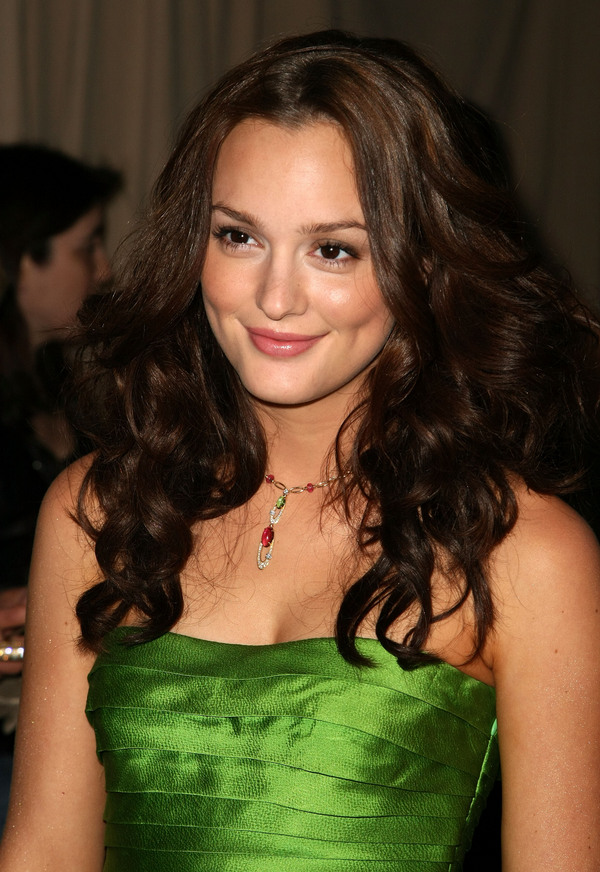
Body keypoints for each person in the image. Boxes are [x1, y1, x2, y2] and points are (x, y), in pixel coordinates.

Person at [1, 30, 599, 871]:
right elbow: (42, 854)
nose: (275, 297)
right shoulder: (99, 510)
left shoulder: (524, 553)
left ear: (424, 263)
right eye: (238, 237)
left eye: (333, 250)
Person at [0, 144, 121, 825]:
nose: (103, 270)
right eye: (87, 246)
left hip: (74, 720)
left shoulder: (78, 391)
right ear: (23, 261)